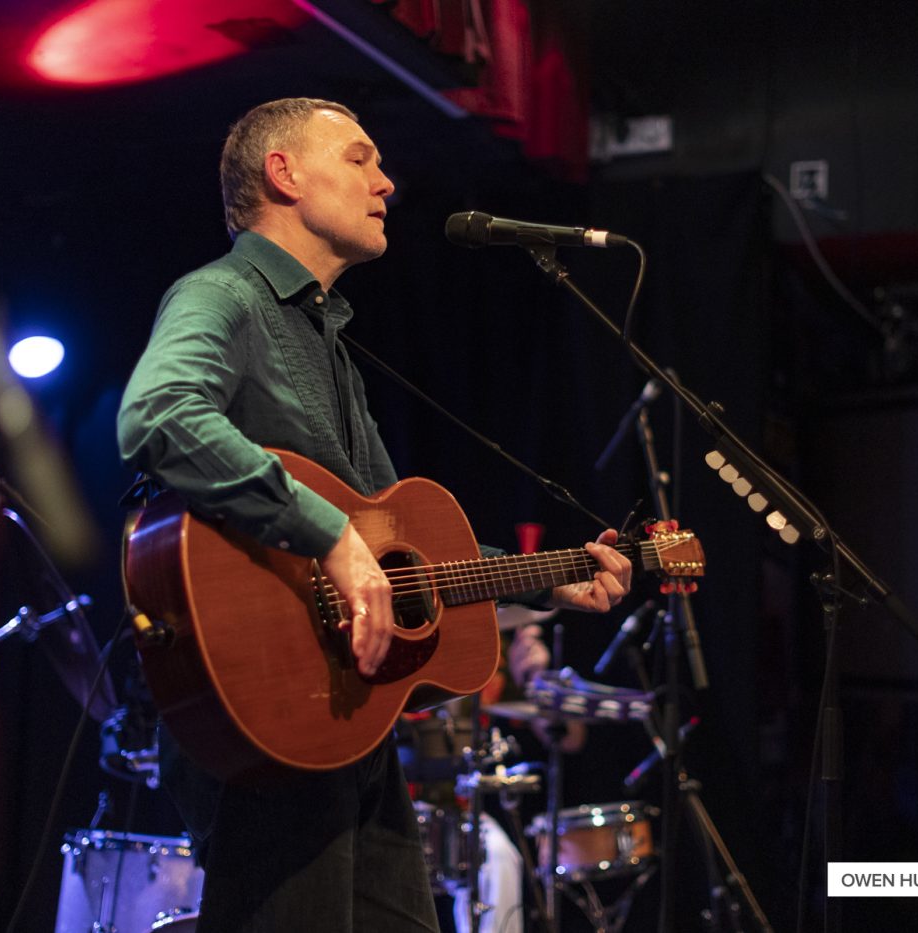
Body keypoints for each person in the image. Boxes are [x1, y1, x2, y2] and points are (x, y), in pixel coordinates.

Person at [116, 97, 633, 933]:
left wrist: (550, 581)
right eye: (359, 159)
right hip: (269, 719)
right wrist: (330, 538)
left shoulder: (330, 346)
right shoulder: (221, 296)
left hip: (349, 723)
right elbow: (160, 417)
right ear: (283, 174)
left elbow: (401, 550)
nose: (386, 182)